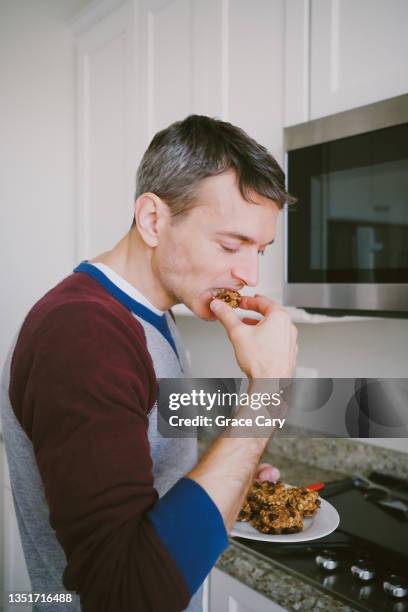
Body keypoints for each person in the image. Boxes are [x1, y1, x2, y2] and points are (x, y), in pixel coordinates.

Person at [1, 115, 298, 612]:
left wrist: (233, 474)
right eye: (231, 244)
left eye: (260, 249)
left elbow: (147, 454)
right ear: (153, 220)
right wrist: (265, 397)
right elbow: (122, 592)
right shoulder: (81, 333)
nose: (249, 274)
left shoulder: (154, 311)